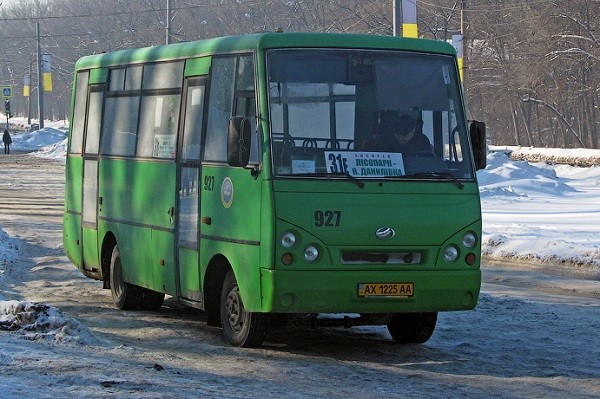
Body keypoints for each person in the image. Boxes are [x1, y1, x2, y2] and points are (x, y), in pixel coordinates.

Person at [361, 112, 433, 154]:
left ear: (413, 132)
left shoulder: (422, 141)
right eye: (398, 134)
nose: (401, 138)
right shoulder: (383, 141)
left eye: (405, 135)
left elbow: (428, 163)